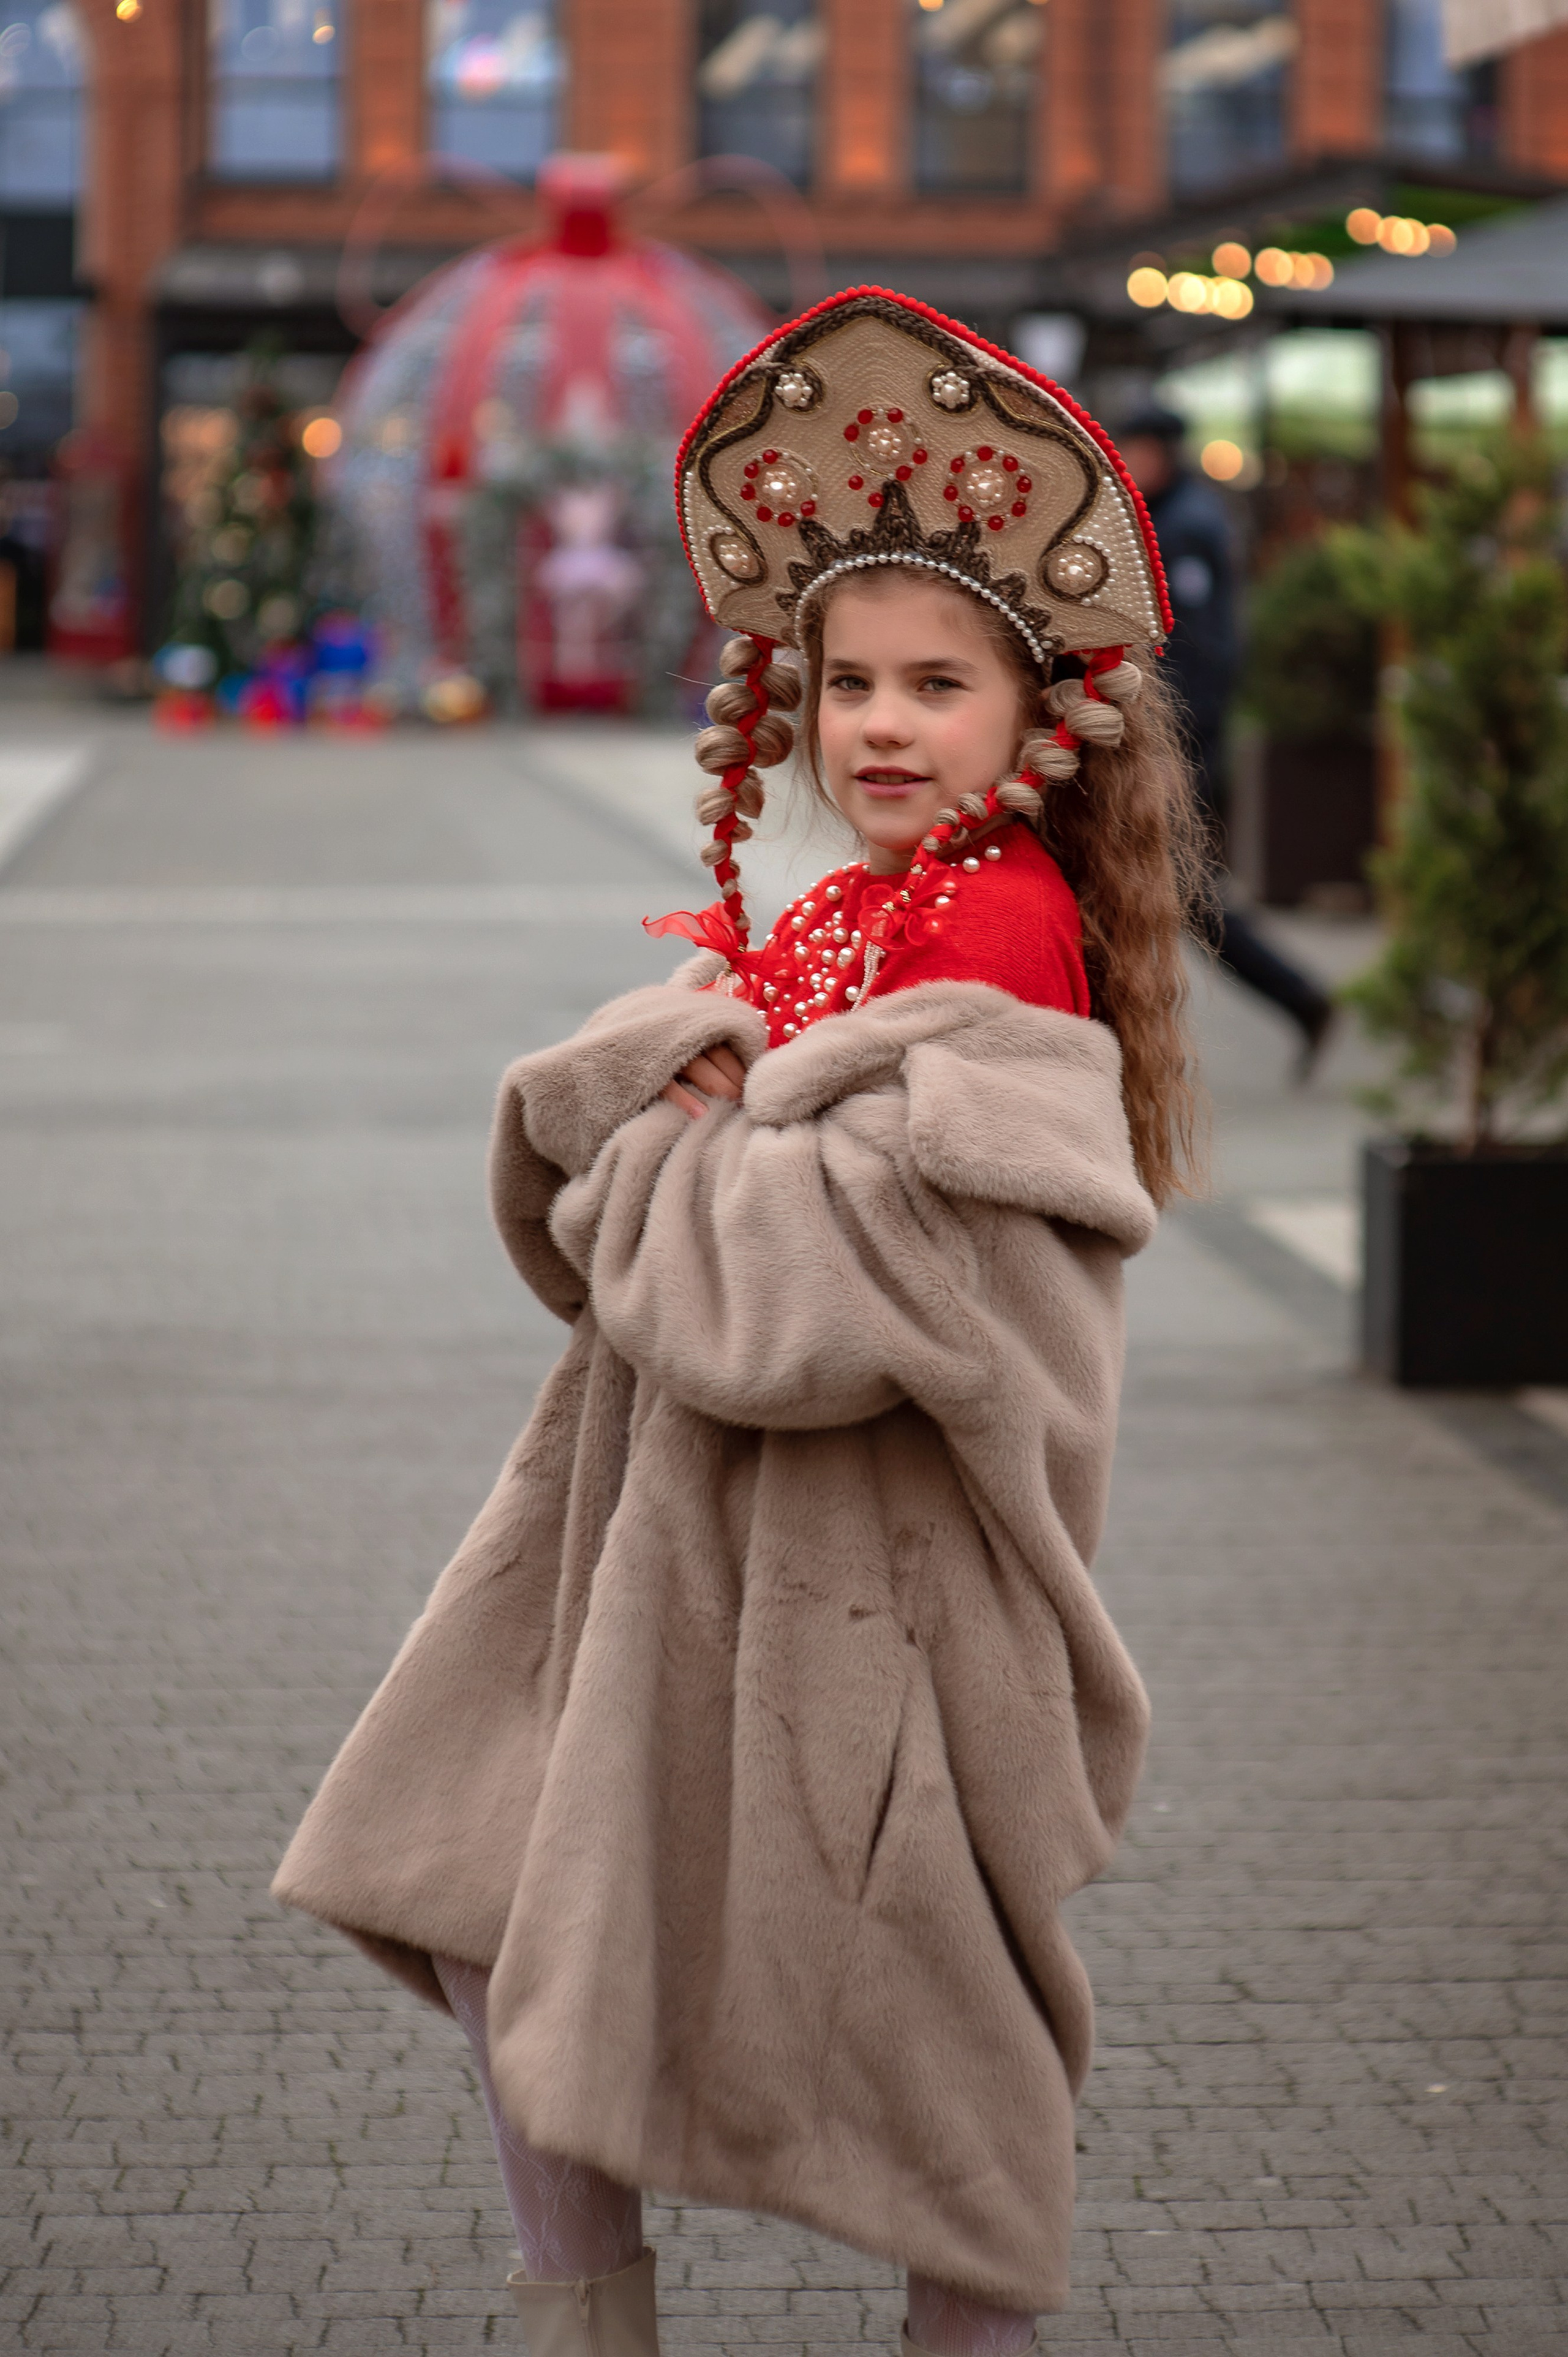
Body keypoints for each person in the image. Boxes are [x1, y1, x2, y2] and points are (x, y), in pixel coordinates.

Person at [273, 289, 1205, 2356]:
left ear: (1037, 712)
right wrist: (672, 1070)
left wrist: (660, 1124)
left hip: (869, 1590)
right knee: (500, 1888)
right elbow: (695, 1172)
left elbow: (778, 1298)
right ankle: (590, 2307)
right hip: (701, 1554)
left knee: (921, 2035)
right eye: (847, 680)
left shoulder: (995, 925)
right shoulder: (860, 906)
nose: (880, 724)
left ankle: (648, 2313)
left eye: (938, 684)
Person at [1118, 400, 1335, 1075]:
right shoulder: (1168, 516)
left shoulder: (1185, 526)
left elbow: (1199, 656)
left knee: (1174, 890)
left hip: (1177, 746)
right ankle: (1297, 999)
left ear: (1163, 451)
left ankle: (1297, 998)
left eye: (1136, 448)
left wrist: (1171, 752)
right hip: (1169, 742)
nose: (1129, 462)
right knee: (1176, 891)